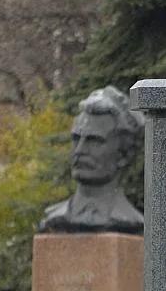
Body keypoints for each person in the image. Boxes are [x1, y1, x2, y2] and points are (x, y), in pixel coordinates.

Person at [41, 86, 144, 234]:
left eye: (94, 141)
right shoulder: (56, 217)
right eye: (76, 139)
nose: (79, 151)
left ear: (124, 155)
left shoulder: (130, 220)